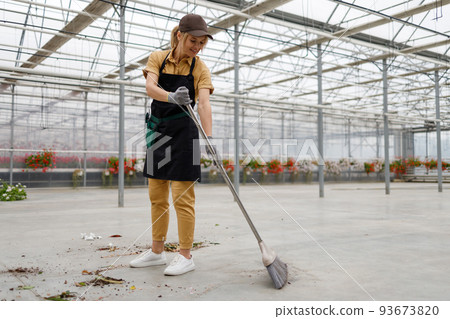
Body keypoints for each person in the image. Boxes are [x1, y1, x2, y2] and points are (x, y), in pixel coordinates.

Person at [129, 14, 214, 276]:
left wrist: (209, 139)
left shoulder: (199, 68)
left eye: (201, 42)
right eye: (193, 40)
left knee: (182, 198)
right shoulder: (157, 57)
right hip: (159, 131)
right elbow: (150, 88)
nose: (197, 46)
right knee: (157, 197)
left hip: (186, 135)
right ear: (180, 35)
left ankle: (185, 256)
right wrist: (170, 97)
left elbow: (203, 104)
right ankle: (157, 252)